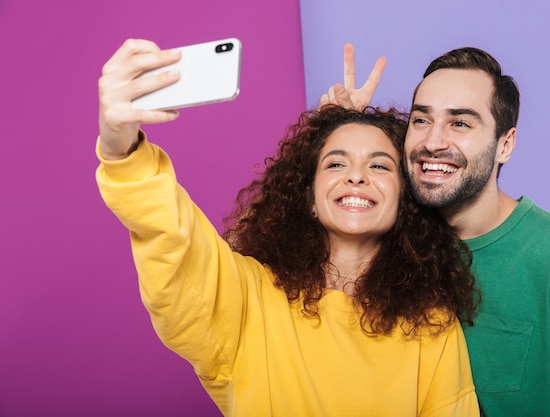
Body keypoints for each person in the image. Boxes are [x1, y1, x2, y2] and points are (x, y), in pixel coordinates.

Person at [95, 39, 482, 417]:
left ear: (405, 202)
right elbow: (174, 236)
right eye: (335, 163)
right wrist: (120, 149)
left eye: (379, 165)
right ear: (309, 200)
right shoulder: (247, 300)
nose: (357, 177)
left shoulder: (432, 325)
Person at [323, 44, 550, 416]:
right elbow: (253, 274)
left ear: (505, 145)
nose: (433, 143)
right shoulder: (384, 234)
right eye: (421, 120)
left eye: (460, 123)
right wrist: (338, 136)